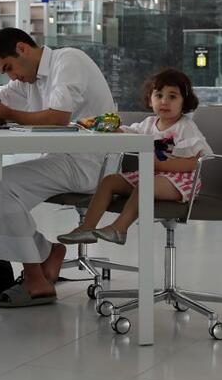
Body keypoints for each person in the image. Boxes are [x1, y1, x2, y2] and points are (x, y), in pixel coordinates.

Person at [0, 27, 116, 307]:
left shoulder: (68, 60)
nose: (12, 77)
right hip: (60, 159)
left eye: (8, 68)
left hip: (91, 163)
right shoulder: (27, 80)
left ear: (22, 48)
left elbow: (58, 117)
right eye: (3, 73)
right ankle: (47, 254)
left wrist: (9, 114)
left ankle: (35, 277)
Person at [57, 68, 212, 246]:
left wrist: (161, 166)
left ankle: (119, 228)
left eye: (172, 97)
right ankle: (86, 228)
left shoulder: (185, 127)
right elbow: (129, 132)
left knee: (145, 184)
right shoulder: (149, 124)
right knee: (110, 181)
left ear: (184, 102)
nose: (164, 101)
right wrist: (109, 127)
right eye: (159, 95)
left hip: (183, 181)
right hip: (153, 174)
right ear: (150, 99)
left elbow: (194, 163)